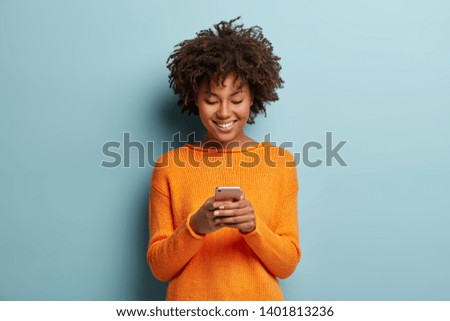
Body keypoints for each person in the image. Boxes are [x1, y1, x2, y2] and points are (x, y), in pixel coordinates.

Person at [146, 17, 301, 300]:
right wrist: (196, 227)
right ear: (194, 99)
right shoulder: (169, 167)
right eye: (212, 99)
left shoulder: (280, 164)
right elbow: (159, 268)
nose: (225, 112)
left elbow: (287, 264)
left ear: (254, 97)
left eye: (237, 99)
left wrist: (254, 228)